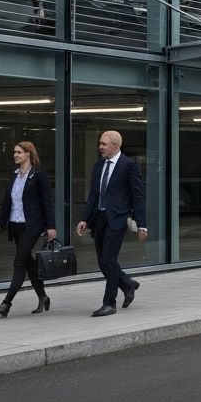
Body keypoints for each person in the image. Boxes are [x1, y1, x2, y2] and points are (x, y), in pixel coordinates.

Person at [76, 130, 147, 317]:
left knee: (108, 259)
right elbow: (93, 195)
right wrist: (84, 218)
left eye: (104, 144)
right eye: (99, 143)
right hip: (99, 220)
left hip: (117, 220)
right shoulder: (98, 166)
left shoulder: (128, 165)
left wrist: (142, 225)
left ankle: (109, 303)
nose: (100, 147)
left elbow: (138, 196)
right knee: (103, 262)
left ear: (116, 145)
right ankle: (127, 284)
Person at [0, 141, 57, 317]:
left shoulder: (39, 176)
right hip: (15, 225)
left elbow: (47, 203)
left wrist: (51, 226)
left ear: (28, 154)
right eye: (14, 152)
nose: (15, 155)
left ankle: (6, 304)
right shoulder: (14, 176)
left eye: (19, 152)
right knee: (29, 263)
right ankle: (43, 297)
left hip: (31, 226)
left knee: (19, 262)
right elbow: (7, 203)